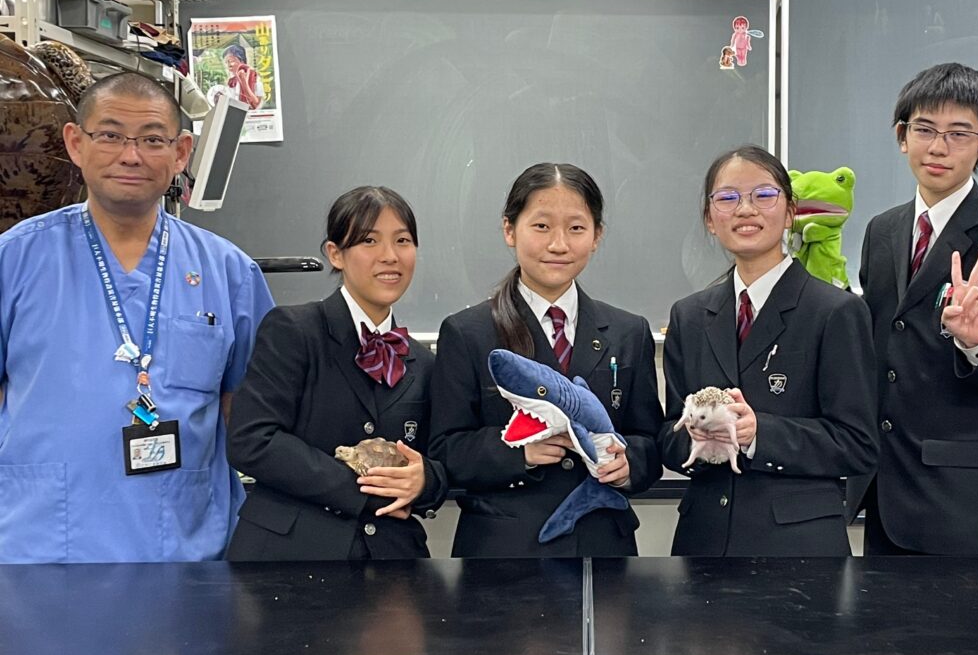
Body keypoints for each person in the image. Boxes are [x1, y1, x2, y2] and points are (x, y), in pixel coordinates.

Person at [0, 71, 273, 563]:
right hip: (39, 549)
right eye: (109, 135)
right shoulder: (15, 259)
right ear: (75, 143)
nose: (130, 155)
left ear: (181, 152)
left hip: (187, 551)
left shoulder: (229, 272)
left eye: (151, 139)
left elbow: (250, 413)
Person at [428, 162, 663, 558]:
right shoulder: (467, 332)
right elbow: (444, 449)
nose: (559, 244)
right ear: (509, 230)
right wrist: (518, 452)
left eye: (576, 228)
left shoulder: (628, 331)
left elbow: (649, 442)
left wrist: (629, 465)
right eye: (541, 226)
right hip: (503, 553)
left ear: (597, 236)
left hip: (602, 546)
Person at [660, 145, 877, 556]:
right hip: (704, 542)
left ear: (790, 212)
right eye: (727, 197)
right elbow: (668, 437)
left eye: (763, 195)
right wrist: (696, 437)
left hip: (799, 548)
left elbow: (858, 444)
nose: (745, 209)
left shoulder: (836, 312)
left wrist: (759, 433)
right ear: (710, 219)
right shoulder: (688, 316)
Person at [847, 63, 978, 556]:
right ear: (902, 136)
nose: (938, 147)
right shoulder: (882, 231)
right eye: (924, 129)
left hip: (963, 504)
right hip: (884, 487)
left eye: (959, 133)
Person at [227, 187, 445, 560]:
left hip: (391, 558)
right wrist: (363, 490)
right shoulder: (293, 330)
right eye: (369, 241)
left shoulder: (422, 361)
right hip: (289, 556)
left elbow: (440, 459)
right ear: (335, 254)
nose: (390, 256)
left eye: (402, 241)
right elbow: (252, 440)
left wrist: (424, 481)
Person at [207, 44, 264, 111]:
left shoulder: (253, 77)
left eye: (231, 61)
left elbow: (255, 105)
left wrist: (243, 81)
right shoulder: (231, 82)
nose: (228, 65)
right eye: (226, 62)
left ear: (242, 61)